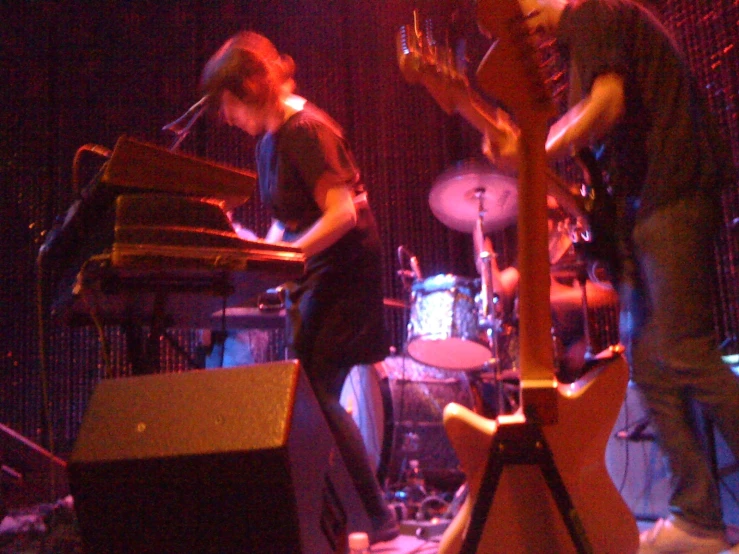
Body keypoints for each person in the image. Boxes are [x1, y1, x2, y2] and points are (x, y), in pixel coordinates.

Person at [481, 0, 739, 552]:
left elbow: (609, 103)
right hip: (646, 208)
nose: (518, 19)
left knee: (685, 352)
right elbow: (597, 146)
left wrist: (533, 150)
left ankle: (699, 517)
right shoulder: (579, 41)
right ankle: (698, 519)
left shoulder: (592, 11)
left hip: (671, 193)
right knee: (647, 360)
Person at [198, 31, 399, 544]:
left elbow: (342, 214)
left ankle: (375, 517)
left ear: (248, 86)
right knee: (313, 397)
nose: (230, 120)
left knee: (315, 395)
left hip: (345, 273)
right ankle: (344, 514)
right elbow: (288, 224)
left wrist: (286, 259)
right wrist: (258, 263)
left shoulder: (308, 130)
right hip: (319, 273)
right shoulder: (270, 140)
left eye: (229, 107)